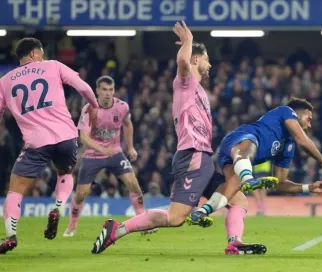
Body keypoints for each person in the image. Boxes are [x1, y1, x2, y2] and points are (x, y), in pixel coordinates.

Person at [90, 21, 265, 255]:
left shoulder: (198, 89)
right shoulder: (185, 82)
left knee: (238, 200)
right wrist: (189, 41)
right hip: (193, 156)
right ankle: (117, 230)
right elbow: (182, 61)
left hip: (202, 158)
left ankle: (234, 242)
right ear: (196, 59)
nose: (210, 64)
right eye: (206, 58)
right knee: (175, 218)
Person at [0, 37, 99, 254]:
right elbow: (83, 87)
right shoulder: (53, 66)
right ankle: (57, 207)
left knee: (15, 189)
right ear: (35, 54)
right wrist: (94, 106)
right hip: (66, 136)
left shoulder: (5, 81)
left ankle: (11, 235)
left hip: (36, 142)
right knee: (65, 172)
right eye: (41, 53)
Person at [188, 98, 322, 226]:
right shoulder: (286, 111)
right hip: (239, 139)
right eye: (308, 119)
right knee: (251, 143)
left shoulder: (287, 147)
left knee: (232, 186)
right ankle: (249, 179)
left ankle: (201, 212)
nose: (309, 125)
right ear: (297, 113)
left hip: (237, 160)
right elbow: (303, 141)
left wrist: (308, 187)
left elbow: (279, 184)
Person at [63, 76, 153, 237]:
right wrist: (103, 151)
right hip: (92, 156)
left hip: (116, 153)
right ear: (97, 91)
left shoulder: (122, 107)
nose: (108, 93)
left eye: (111, 90)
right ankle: (72, 225)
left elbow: (127, 123)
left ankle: (142, 224)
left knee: (134, 186)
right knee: (81, 193)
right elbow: (84, 137)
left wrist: (130, 147)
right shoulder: (90, 109)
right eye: (104, 90)